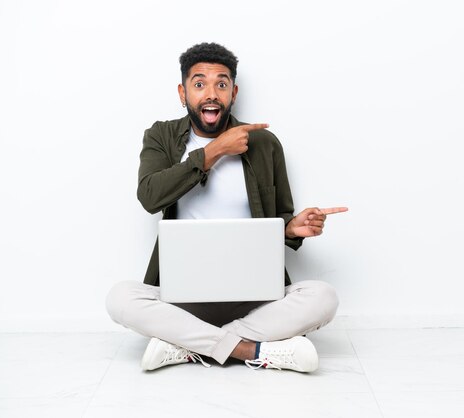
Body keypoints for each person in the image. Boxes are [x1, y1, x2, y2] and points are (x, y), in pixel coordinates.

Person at [105, 42, 347, 373]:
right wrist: (213, 152)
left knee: (324, 296)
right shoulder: (161, 136)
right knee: (120, 298)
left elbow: (279, 219)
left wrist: (291, 228)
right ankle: (253, 349)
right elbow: (149, 196)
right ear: (182, 92)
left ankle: (186, 345)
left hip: (254, 297)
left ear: (233, 92)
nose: (211, 93)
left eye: (221, 84)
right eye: (199, 83)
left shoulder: (265, 144)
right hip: (183, 299)